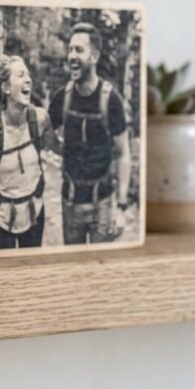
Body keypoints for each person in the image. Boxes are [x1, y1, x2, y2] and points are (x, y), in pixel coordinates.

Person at [47, 22, 132, 245]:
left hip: (102, 204)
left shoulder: (111, 100)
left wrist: (121, 207)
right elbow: (44, 133)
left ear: (94, 57)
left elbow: (123, 154)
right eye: (70, 49)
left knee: (100, 269)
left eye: (79, 50)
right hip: (70, 203)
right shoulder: (61, 98)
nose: (71, 56)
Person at [0, 54, 56, 250]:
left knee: (31, 271)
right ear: (5, 88)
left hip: (34, 214)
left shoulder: (40, 119)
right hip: (1, 218)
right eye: (21, 75)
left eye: (28, 75)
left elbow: (59, 149)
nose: (28, 79)